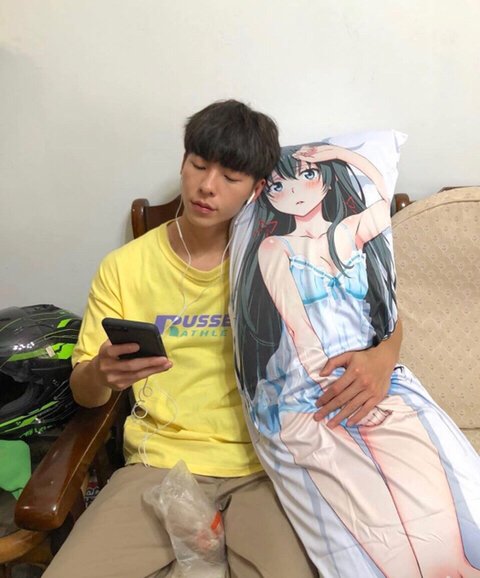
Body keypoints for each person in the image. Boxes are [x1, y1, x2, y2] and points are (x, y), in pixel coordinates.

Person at [43, 99, 319, 578]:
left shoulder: (280, 263)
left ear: (256, 189)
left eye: (230, 177)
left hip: (263, 468)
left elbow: (375, 314)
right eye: (198, 165)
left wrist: (383, 355)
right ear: (183, 162)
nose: (207, 186)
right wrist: (101, 373)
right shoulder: (125, 267)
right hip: (157, 464)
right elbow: (86, 395)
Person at [232, 142, 480, 577]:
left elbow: (379, 196)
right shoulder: (274, 249)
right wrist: (330, 390)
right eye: (277, 186)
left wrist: (339, 154)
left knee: (450, 542)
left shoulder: (349, 232)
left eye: (308, 175)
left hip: (378, 378)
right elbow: (299, 331)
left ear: (328, 180)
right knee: (380, 541)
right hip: (310, 393)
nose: (295, 191)